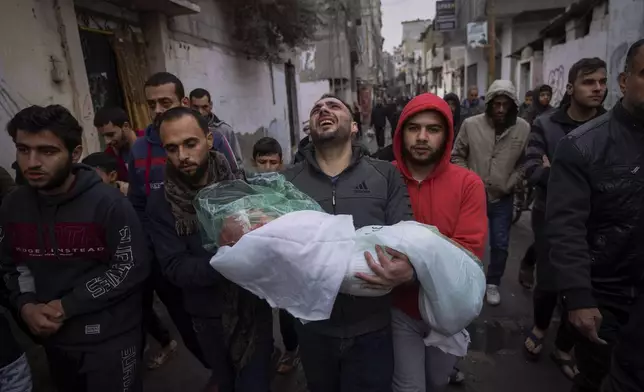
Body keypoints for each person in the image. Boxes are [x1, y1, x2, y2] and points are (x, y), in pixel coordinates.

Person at [0, 105, 149, 391]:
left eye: (47, 151)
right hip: (55, 340)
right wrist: (26, 305)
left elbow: (130, 267)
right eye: (23, 149)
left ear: (75, 153)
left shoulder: (109, 204)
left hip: (111, 339)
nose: (31, 162)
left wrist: (67, 305)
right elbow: (13, 264)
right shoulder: (13, 207)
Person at [283, 94, 415, 392]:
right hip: (313, 328)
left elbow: (406, 238)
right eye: (316, 108)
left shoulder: (386, 175)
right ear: (309, 127)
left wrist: (409, 269)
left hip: (373, 328)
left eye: (334, 106)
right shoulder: (287, 182)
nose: (323, 110)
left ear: (355, 126)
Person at [145, 107, 273, 392]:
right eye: (172, 148)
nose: (182, 156)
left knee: (256, 384)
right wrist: (229, 256)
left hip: (252, 307)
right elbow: (174, 268)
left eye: (190, 143)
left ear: (209, 139)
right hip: (206, 317)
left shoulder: (240, 184)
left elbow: (270, 244)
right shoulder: (161, 203)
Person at [547, 41, 644, 392]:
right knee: (598, 380)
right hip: (606, 297)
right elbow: (565, 226)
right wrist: (579, 297)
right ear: (626, 80)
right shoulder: (580, 145)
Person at [391, 93, 487, 392]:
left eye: (433, 129)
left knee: (436, 381)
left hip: (448, 310)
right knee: (409, 386)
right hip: (398, 308)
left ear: (446, 135)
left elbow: (467, 251)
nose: (422, 137)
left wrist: (414, 270)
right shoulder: (385, 177)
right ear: (401, 132)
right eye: (413, 128)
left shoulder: (468, 184)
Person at [522, 57, 608, 380]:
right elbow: (532, 169)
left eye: (602, 81)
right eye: (589, 82)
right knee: (550, 282)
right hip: (549, 214)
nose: (598, 88)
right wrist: (571, 177)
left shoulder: (611, 127)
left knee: (586, 286)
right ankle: (541, 327)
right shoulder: (545, 125)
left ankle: (564, 346)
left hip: (597, 221)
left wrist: (554, 169)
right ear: (571, 88)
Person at [128, 72, 209, 368]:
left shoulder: (211, 140)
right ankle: (215, 369)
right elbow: (137, 203)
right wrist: (149, 246)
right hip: (164, 257)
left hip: (208, 250)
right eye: (152, 104)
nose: (158, 110)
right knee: (188, 327)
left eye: (166, 102)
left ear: (182, 101)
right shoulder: (137, 149)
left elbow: (233, 185)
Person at [452, 80, 530, 306]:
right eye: (497, 104)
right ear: (489, 104)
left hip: (502, 198)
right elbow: (457, 155)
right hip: (472, 197)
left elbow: (525, 162)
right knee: (466, 243)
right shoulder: (470, 125)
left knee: (500, 244)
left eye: (506, 105)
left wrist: (511, 183)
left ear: (513, 106)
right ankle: (465, 281)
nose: (501, 109)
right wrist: (471, 181)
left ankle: (492, 282)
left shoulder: (523, 128)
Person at [189, 88, 244, 173]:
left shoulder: (224, 130)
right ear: (189, 105)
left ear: (210, 105)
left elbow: (237, 163)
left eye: (204, 107)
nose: (200, 112)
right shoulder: (184, 130)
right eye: (195, 107)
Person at [95, 107, 142, 182]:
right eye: (103, 136)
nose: (107, 141)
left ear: (126, 126)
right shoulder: (109, 155)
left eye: (110, 135)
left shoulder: (151, 141)